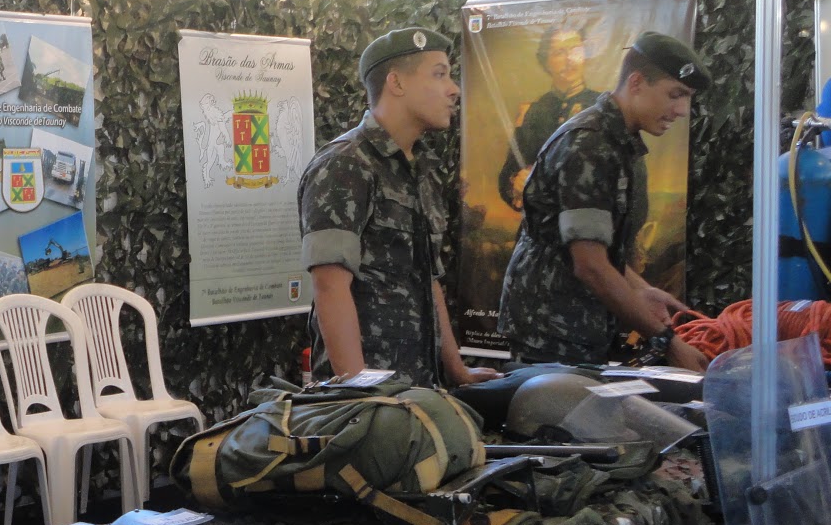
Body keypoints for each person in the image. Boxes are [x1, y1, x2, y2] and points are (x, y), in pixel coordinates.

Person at [299, 27, 500, 388]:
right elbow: (329, 285)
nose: (453, 89)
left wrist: (457, 370)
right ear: (396, 82)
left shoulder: (421, 167)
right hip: (371, 390)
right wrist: (359, 391)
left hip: (419, 384)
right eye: (439, 74)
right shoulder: (345, 165)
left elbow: (428, 278)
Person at [498, 31, 710, 373]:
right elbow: (590, 265)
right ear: (636, 83)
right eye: (675, 95)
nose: (682, 110)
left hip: (575, 327)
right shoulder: (591, 145)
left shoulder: (616, 140)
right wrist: (667, 344)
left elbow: (593, 248)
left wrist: (641, 289)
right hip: (553, 333)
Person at [497, 26, 603, 210]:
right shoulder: (533, 111)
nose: (569, 59)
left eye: (575, 50)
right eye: (559, 52)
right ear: (546, 62)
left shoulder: (603, 106)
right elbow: (510, 170)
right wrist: (517, 181)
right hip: (542, 219)